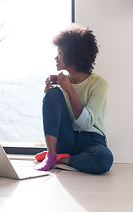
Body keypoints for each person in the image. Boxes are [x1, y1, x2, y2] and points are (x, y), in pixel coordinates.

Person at [35, 24, 113, 174]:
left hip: (92, 140)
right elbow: (56, 119)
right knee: (53, 94)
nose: (55, 57)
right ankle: (51, 155)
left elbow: (85, 123)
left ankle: (60, 159)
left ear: (73, 55)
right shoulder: (61, 84)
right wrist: (50, 96)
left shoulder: (99, 83)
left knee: (104, 158)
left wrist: (70, 89)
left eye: (59, 53)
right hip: (67, 139)